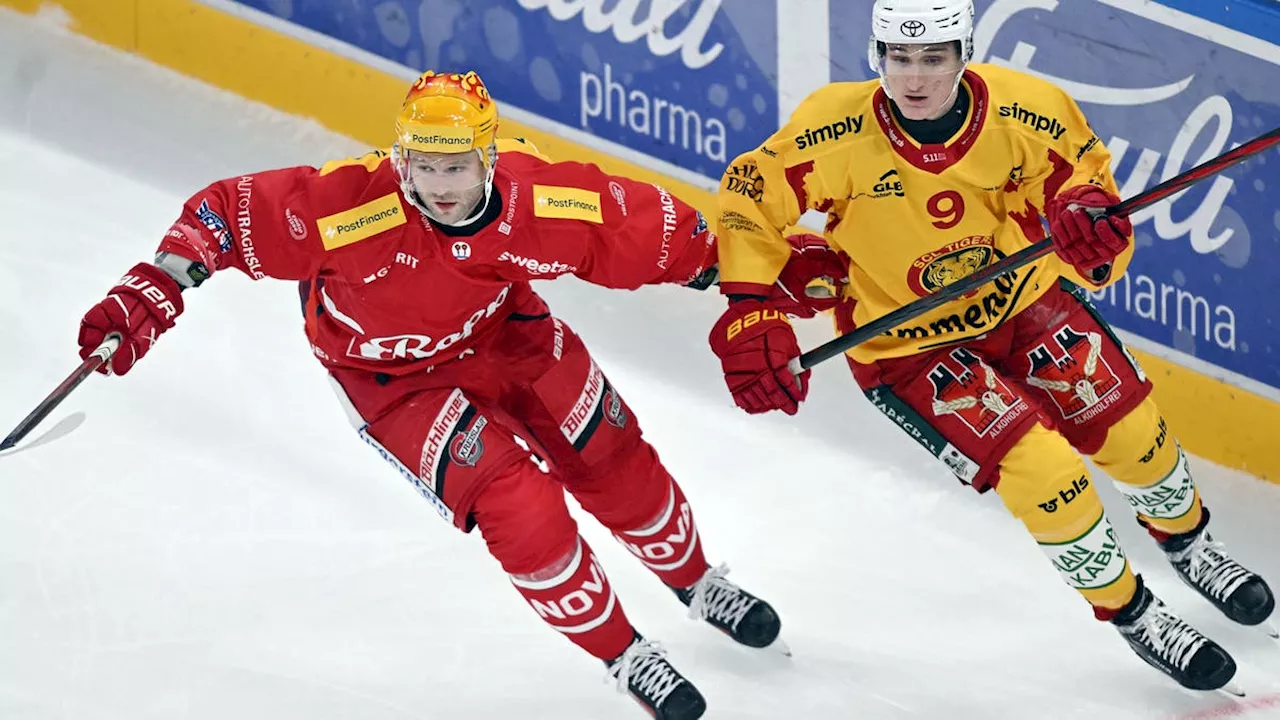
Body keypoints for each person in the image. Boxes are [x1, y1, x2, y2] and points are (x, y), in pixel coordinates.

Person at [75, 69, 798, 720]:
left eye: (458, 166)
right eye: (426, 167)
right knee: (519, 506)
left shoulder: (544, 199)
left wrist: (758, 286)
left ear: (488, 158)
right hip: (391, 383)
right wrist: (155, 284)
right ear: (401, 161)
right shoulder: (352, 206)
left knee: (614, 460)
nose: (443, 186)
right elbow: (224, 215)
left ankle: (699, 585)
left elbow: (656, 236)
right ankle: (622, 653)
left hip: (507, 336)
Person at [706, 0, 1274, 695]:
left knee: (1137, 437)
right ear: (877, 55)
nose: (914, 79)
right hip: (907, 345)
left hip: (1024, 300)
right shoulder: (833, 128)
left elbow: (1087, 194)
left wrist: (1089, 225)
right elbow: (748, 194)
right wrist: (749, 309)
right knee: (1046, 474)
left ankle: (1192, 546)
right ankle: (1134, 612)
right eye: (899, 58)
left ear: (964, 51)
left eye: (934, 58)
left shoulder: (1029, 110)